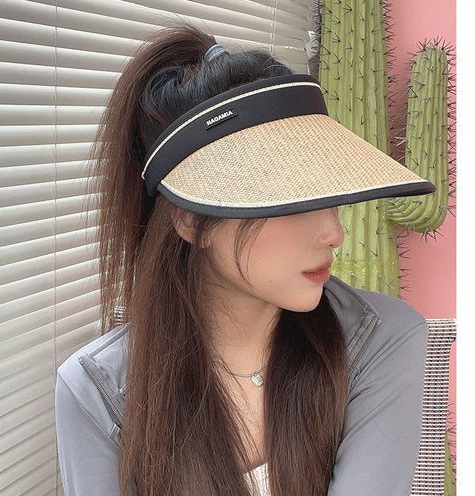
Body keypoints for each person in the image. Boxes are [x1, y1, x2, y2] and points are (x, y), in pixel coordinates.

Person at [55, 22, 435, 496]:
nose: (333, 233)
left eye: (330, 196)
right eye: (292, 202)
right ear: (190, 219)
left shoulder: (380, 341)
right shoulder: (100, 393)